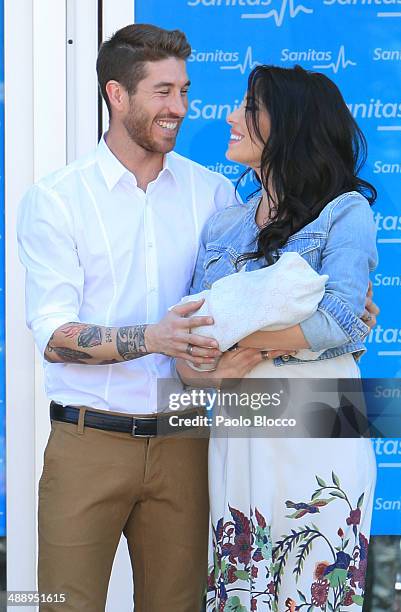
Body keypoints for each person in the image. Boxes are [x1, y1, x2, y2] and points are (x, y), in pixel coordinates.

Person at [16, 23, 259, 612]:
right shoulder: (57, 199)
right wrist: (153, 338)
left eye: (183, 90)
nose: (179, 107)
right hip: (87, 441)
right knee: (60, 605)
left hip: (184, 439)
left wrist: (333, 302)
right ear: (116, 94)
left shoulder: (215, 195)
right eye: (162, 92)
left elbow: (244, 303)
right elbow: (54, 335)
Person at [176, 65, 380, 611]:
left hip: (321, 427)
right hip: (242, 431)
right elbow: (192, 343)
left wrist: (249, 346)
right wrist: (210, 369)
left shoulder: (345, 211)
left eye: (249, 108)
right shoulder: (223, 225)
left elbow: (339, 319)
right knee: (243, 590)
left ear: (288, 124)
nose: (230, 117)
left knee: (315, 589)